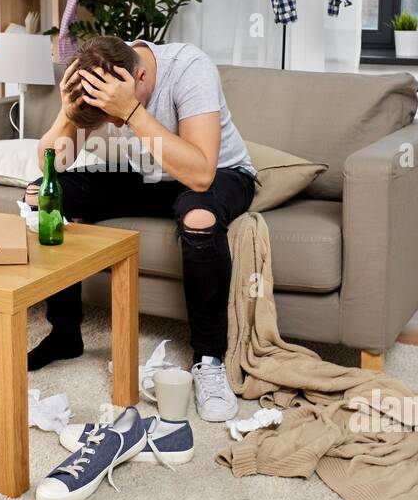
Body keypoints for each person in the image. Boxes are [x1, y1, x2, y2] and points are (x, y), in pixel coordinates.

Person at [26, 35, 255, 421]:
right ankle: (65, 334)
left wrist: (130, 111)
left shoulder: (189, 67)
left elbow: (200, 174)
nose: (113, 124)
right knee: (44, 195)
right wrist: (67, 114)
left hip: (219, 175)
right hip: (149, 176)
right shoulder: (102, 82)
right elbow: (54, 163)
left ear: (142, 76)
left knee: (199, 216)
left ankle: (209, 359)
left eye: (114, 115)